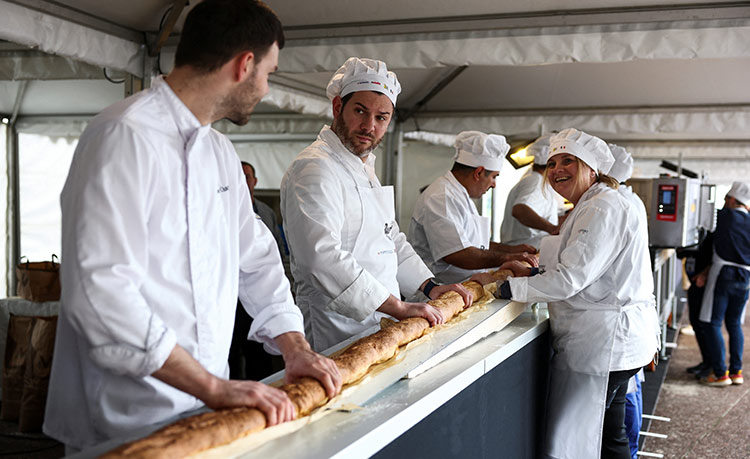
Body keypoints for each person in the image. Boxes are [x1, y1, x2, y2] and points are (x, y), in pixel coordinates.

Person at [43, 1, 341, 452]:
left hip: (205, 404)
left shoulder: (220, 153)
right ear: (244, 65)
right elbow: (100, 292)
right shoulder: (123, 135)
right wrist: (213, 387)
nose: (267, 87)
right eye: (269, 72)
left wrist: (295, 347)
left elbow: (256, 259)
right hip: (125, 417)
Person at [472, 128, 660, 459]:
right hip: (616, 341)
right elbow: (587, 267)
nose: (557, 169)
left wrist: (504, 288)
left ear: (592, 168)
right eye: (554, 162)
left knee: (582, 438)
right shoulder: (601, 202)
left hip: (604, 342)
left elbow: (570, 280)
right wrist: (533, 273)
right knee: (609, 435)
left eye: (568, 161)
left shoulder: (601, 207)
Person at [280, 57, 473, 352]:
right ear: (337, 107)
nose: (369, 126)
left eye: (381, 117)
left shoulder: (363, 166)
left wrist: (430, 287)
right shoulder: (315, 167)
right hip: (337, 325)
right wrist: (397, 307)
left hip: (382, 319)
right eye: (360, 111)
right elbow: (320, 258)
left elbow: (390, 237)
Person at [408, 131, 538, 285]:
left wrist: (511, 250)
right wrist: (508, 258)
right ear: (479, 172)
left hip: (463, 287)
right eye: (494, 176)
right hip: (437, 293)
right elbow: (458, 254)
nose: (494, 184)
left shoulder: (460, 195)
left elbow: (475, 244)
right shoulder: (441, 197)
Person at [228, 161, 289, 381]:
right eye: (240, 176)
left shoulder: (266, 212)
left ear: (255, 181)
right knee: (232, 351)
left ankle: (263, 384)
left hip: (261, 293)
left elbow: (276, 250)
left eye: (248, 176)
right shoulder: (224, 208)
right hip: (232, 298)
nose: (244, 181)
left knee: (259, 352)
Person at [608, 144, 648, 459]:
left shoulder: (613, 204)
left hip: (619, 328)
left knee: (615, 420)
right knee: (622, 403)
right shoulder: (630, 200)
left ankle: (632, 452)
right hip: (631, 324)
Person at [694, 181, 750, 387]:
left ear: (733, 200)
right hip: (745, 276)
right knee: (735, 324)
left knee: (712, 322)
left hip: (723, 274)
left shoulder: (724, 215)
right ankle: (736, 371)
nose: (725, 202)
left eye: (727, 198)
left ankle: (720, 373)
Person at [500, 134, 562, 249]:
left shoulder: (541, 183)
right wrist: (551, 228)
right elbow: (520, 210)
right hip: (524, 250)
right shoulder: (535, 182)